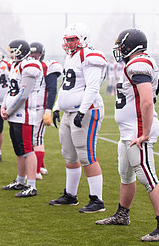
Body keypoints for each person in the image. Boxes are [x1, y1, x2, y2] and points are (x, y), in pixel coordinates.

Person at [95, 29, 159, 242]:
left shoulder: (139, 64)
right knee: (125, 174)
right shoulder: (136, 63)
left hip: (138, 131)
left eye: (121, 45)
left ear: (131, 46)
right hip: (129, 130)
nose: (119, 50)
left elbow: (146, 101)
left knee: (148, 177)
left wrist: (145, 133)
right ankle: (122, 214)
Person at [50, 22, 107, 213]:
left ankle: (97, 200)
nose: (69, 43)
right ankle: (71, 195)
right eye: (67, 39)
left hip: (87, 110)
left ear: (83, 39)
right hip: (70, 112)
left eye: (73, 39)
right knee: (69, 154)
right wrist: (58, 106)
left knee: (86, 154)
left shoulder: (89, 55)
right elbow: (67, 86)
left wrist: (82, 111)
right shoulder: (71, 57)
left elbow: (92, 87)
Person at [1, 39, 42, 198]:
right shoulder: (16, 65)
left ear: (22, 51)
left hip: (24, 115)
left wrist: (9, 110)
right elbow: (10, 91)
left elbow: (24, 95)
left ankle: (31, 185)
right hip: (14, 114)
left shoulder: (29, 65)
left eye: (13, 51)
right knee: (19, 150)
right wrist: (3, 107)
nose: (11, 54)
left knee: (27, 149)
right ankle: (20, 180)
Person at [28, 42, 62, 180]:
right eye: (31, 53)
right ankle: (40, 166)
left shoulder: (48, 66)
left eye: (35, 53)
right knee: (34, 137)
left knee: (36, 138)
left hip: (41, 107)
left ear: (42, 53)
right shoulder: (28, 66)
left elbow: (52, 89)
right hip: (30, 106)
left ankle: (35, 171)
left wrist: (48, 109)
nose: (33, 55)